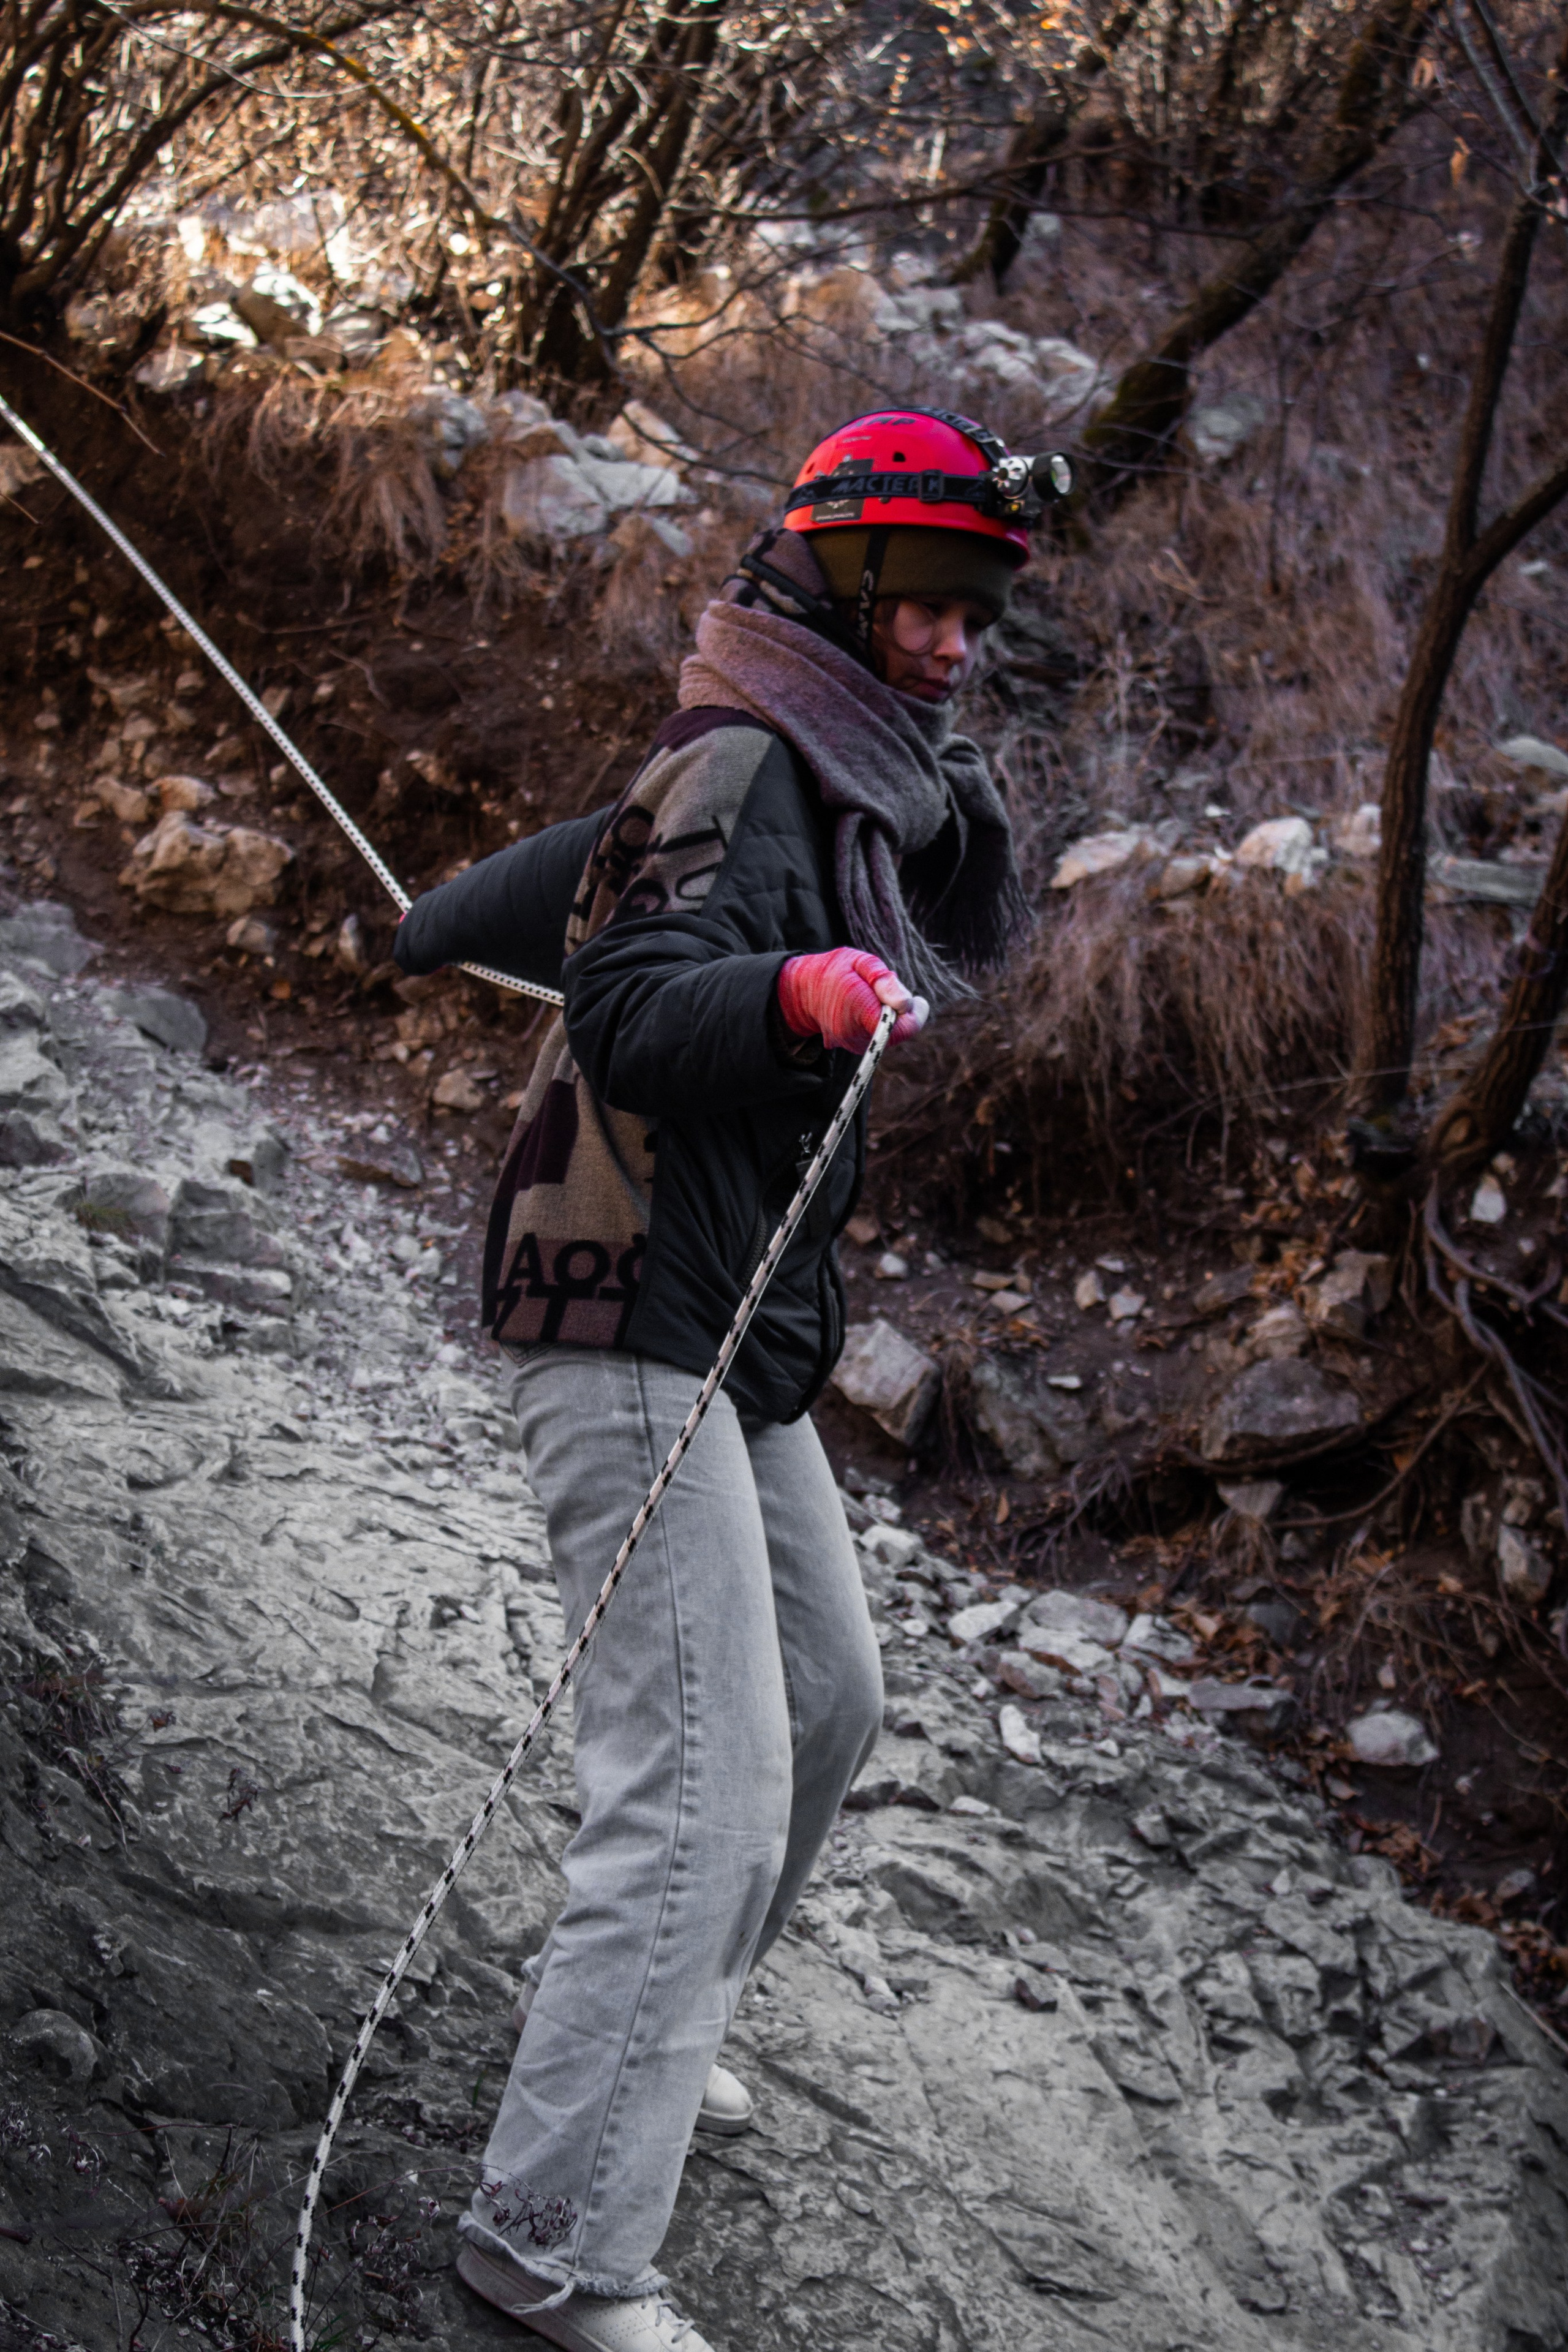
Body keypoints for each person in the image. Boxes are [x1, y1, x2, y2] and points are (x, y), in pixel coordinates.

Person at [393, 409, 1036, 2352]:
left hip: (724, 1323)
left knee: (830, 1708)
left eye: (976, 610)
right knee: (701, 1801)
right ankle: (550, 2248)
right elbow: (632, 999)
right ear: (836, 579)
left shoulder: (826, 765)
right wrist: (799, 997)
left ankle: (636, 2075)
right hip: (618, 1308)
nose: (950, 642)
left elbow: (574, 879)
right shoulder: (752, 752)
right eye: (924, 602)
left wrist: (426, 922)